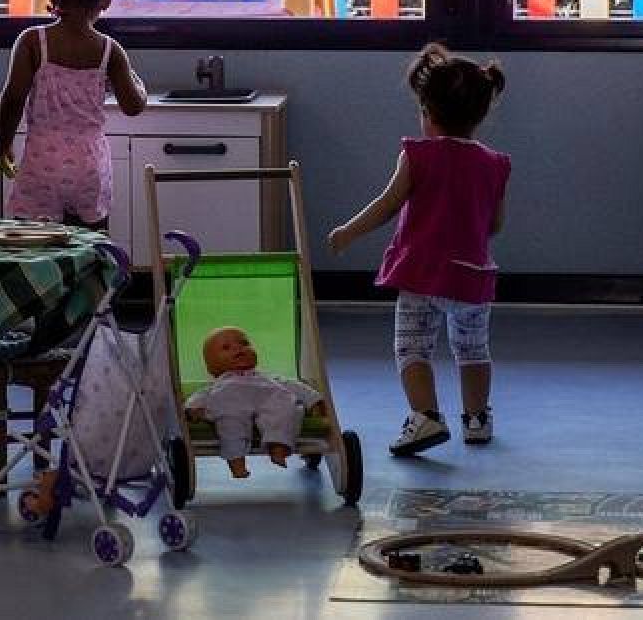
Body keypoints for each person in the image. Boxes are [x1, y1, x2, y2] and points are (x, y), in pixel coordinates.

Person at [328, 44, 510, 457]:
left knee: (412, 348)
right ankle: (478, 420)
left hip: (422, 273)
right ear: (479, 116)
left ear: (428, 113)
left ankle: (425, 417)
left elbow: (387, 205)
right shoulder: (496, 164)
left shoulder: (418, 155)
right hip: (473, 275)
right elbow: (495, 225)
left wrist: (348, 232)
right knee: (473, 349)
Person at [0, 0, 147, 230]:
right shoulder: (109, 50)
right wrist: (139, 84)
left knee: (33, 249)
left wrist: (4, 142)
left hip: (41, 165)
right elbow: (133, 105)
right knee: (90, 250)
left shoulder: (33, 42)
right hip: (89, 168)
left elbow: (13, 98)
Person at [184, 326, 325, 478]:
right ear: (211, 366)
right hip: (232, 406)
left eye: (244, 343)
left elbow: (294, 386)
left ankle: (279, 447)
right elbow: (200, 396)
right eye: (226, 348)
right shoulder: (216, 385)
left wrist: (313, 400)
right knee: (229, 424)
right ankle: (237, 463)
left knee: (287, 408)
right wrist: (193, 408)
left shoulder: (267, 379)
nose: (239, 349)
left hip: (268, 402)